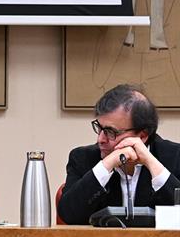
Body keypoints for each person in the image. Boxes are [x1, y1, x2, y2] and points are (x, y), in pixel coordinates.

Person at [58, 84, 180, 225]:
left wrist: (150, 162)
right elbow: (68, 215)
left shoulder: (175, 157)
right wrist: (107, 165)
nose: (100, 140)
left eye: (110, 132)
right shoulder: (82, 158)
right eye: (100, 128)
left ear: (142, 136)